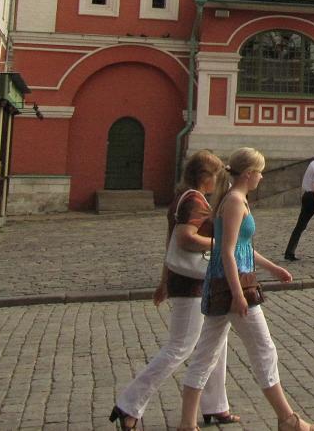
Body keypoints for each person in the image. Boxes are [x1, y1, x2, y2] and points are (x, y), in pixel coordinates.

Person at [178, 148, 314, 431]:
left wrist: (273, 268)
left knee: (206, 355)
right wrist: (238, 294)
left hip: (225, 287)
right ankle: (288, 420)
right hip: (233, 288)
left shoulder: (235, 199)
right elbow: (228, 253)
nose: (262, 176)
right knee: (264, 350)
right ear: (248, 174)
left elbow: (244, 248)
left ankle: (186, 423)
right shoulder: (234, 202)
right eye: (259, 171)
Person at [111, 151, 237, 430]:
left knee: (216, 342)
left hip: (190, 281)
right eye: (216, 177)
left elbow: (170, 245)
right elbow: (184, 238)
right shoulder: (195, 200)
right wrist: (220, 243)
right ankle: (129, 404)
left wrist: (164, 281)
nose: (217, 183)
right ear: (206, 177)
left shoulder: (183, 197)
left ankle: (216, 405)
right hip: (193, 284)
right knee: (180, 347)